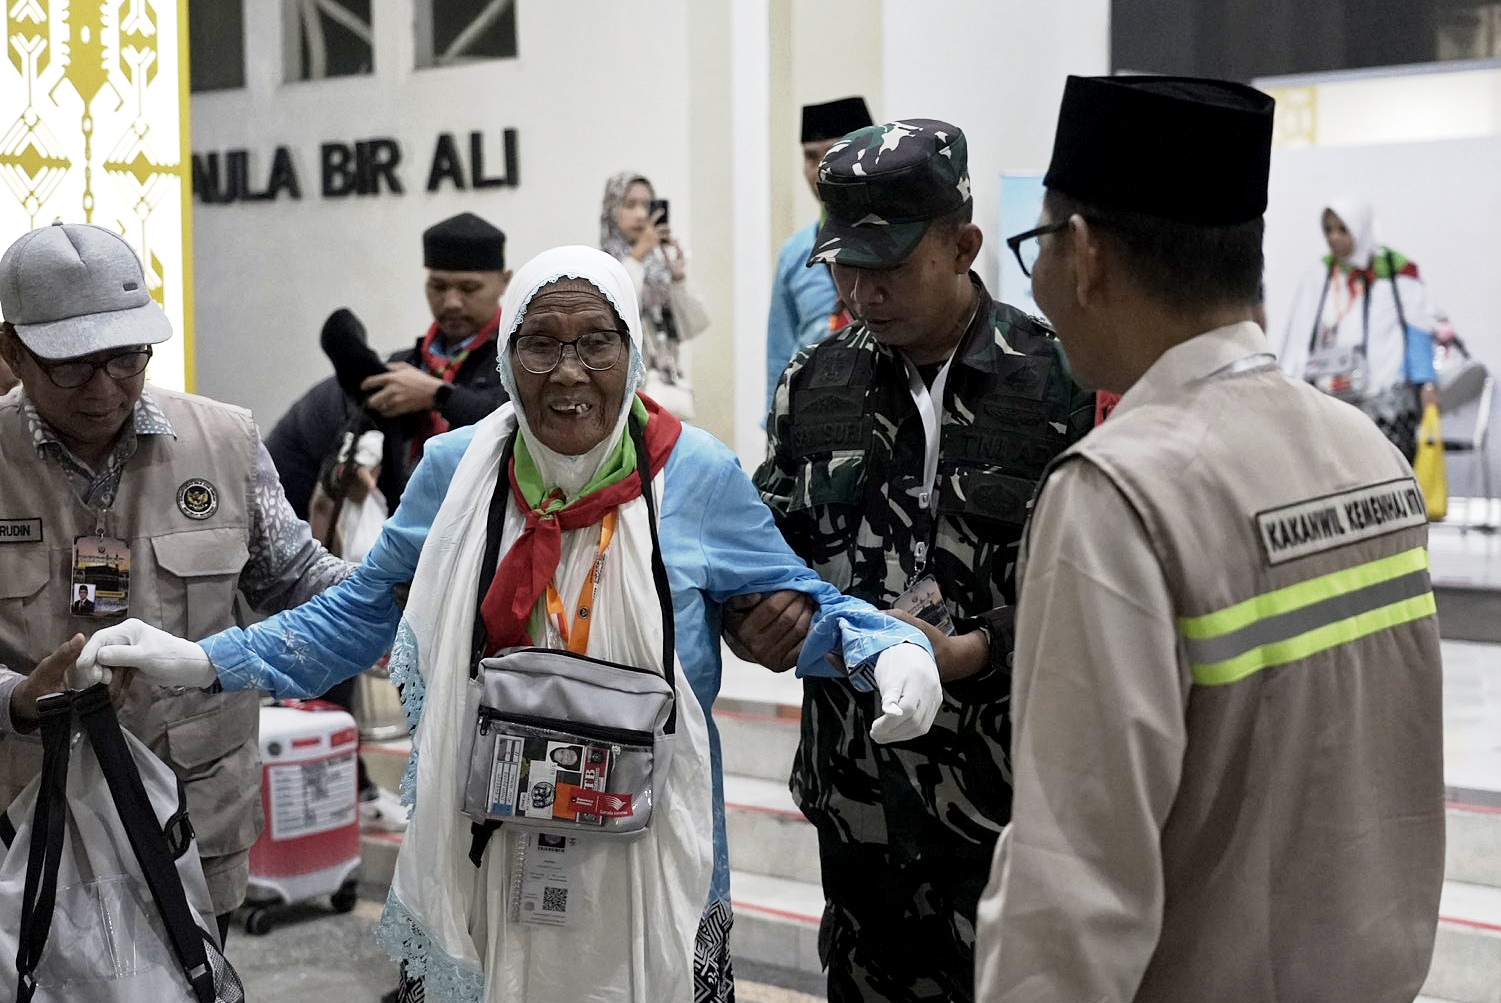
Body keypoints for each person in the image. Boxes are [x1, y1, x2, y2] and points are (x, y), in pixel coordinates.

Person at [80, 245, 944, 1003]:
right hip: (487, 844)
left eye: (595, 342)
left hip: (652, 851)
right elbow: (358, 613)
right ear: (506, 354)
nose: (569, 373)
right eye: (541, 344)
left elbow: (797, 600)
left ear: (632, 351)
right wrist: (204, 658)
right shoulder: (459, 471)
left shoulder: (695, 473)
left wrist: (888, 647)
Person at [975, 75, 1444, 1002]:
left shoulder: (1118, 496)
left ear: (1085, 255)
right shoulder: (1368, 457)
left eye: (1033, 248)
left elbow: (1069, 901)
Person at [735, 120, 1096, 1003]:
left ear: (964, 243)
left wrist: (981, 648)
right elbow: (761, 545)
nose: (861, 292)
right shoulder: (815, 379)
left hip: (1007, 807)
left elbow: (1097, 588)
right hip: (856, 804)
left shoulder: (1055, 378)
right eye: (842, 266)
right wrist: (750, 622)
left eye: (888, 266)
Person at [0, 221, 348, 940]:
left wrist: (403, 585)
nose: (104, 388)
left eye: (127, 358)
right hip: (25, 823)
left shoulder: (223, 441)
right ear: (11, 350)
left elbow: (299, 580)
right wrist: (17, 697)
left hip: (190, 819)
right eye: (71, 365)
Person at [296, 211, 514, 513]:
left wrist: (438, 396)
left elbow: (516, 426)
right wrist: (347, 474)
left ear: (505, 282)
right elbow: (340, 453)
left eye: (468, 288)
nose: (451, 302)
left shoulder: (519, 356)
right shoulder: (405, 365)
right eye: (438, 286)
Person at [1278, 194, 1438, 460]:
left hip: (1386, 402)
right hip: (1331, 400)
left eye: (1343, 229)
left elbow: (1417, 329)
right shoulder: (1320, 275)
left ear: (1360, 228)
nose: (1333, 238)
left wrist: (1427, 384)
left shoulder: (1395, 271)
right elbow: (1298, 337)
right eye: (1328, 229)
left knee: (1387, 471)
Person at [765, 96, 874, 414]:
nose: (820, 169)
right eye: (811, 157)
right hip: (815, 414)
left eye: (833, 154)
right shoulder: (796, 253)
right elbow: (780, 354)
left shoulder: (904, 244)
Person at [600, 172, 710, 420]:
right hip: (621, 390)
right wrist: (638, 255)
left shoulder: (659, 265)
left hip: (665, 391)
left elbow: (695, 324)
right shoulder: (601, 264)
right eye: (630, 205)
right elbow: (615, 309)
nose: (640, 214)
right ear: (612, 209)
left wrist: (678, 277)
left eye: (646, 205)